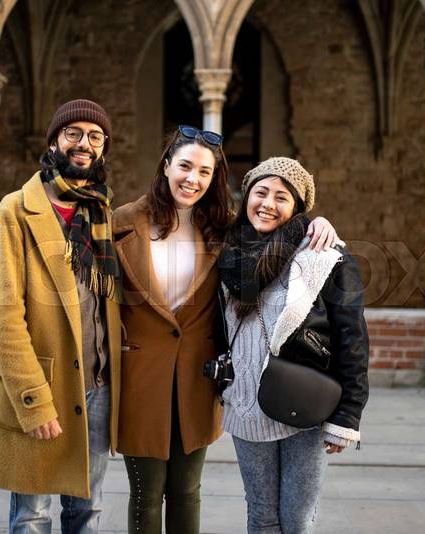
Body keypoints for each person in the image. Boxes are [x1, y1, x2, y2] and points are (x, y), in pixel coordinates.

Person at [113, 128, 338, 534]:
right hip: (140, 376)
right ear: (166, 166)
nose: (192, 179)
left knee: (186, 490)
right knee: (146, 492)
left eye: (204, 171)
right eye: (184, 166)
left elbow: (276, 225)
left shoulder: (222, 229)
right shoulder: (121, 224)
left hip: (198, 378)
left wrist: (317, 222)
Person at [0, 99, 121, 534]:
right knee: (32, 516)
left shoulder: (99, 211)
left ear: (102, 150)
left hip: (97, 387)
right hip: (45, 384)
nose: (84, 143)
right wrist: (33, 399)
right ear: (54, 142)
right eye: (74, 133)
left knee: (87, 510)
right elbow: (4, 315)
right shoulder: (14, 211)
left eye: (94, 137)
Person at [216, 156, 370, 534]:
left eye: (281, 197)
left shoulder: (324, 257)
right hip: (246, 406)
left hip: (304, 404)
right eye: (261, 192)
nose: (268, 203)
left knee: (297, 520)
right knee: (262, 516)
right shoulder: (227, 252)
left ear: (297, 207)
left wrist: (347, 416)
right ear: (246, 195)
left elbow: (353, 340)